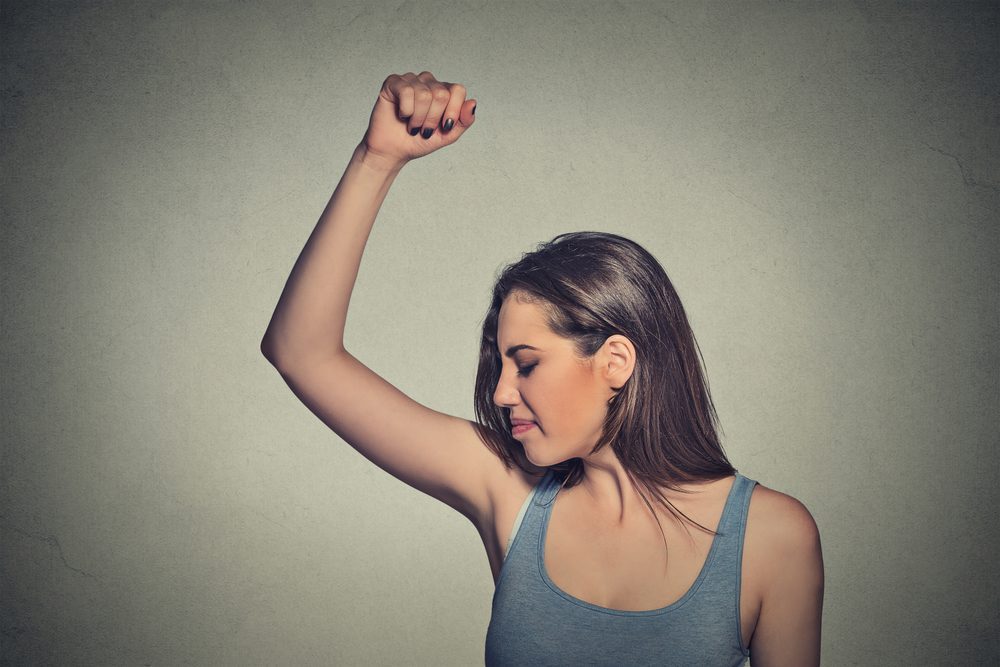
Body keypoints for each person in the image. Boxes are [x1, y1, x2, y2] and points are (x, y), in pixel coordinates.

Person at [260, 71, 824, 666]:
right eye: (501, 364)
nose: (502, 392)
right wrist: (377, 160)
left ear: (614, 360)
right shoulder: (509, 491)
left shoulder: (770, 538)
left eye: (526, 365)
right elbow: (300, 351)